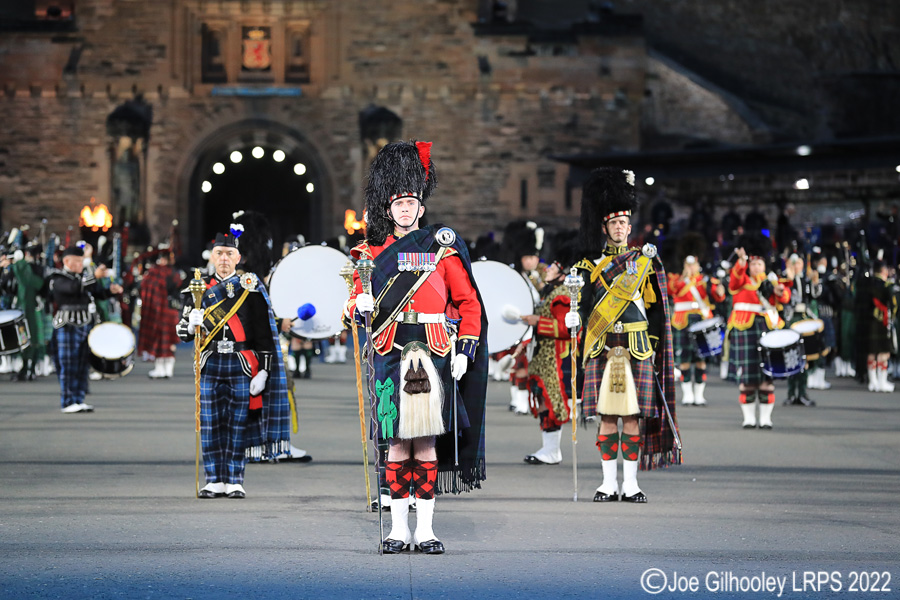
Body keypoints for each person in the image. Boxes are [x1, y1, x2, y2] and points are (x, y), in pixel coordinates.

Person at [344, 140, 488, 554]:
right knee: (394, 441)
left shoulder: (441, 249)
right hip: (389, 352)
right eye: (399, 203)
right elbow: (352, 313)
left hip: (434, 351)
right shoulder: (369, 254)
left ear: (421, 208)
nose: (406, 209)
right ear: (388, 210)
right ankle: (397, 530)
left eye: (412, 202)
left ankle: (424, 529)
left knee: (424, 442)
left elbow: (468, 303)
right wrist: (360, 303)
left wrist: (465, 349)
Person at [570, 167, 681, 504]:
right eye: (613, 223)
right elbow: (585, 307)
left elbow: (659, 311)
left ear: (630, 228)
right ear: (604, 227)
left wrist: (656, 349)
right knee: (606, 416)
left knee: (632, 417)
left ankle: (630, 485)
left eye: (624, 224)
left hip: (636, 346)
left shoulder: (644, 262)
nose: (619, 228)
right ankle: (607, 484)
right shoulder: (589, 265)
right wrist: (573, 315)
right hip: (602, 345)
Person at [176, 230, 291, 499]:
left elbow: (263, 334)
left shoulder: (249, 287)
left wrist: (263, 370)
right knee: (211, 422)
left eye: (229, 254)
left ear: (238, 257)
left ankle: (235, 478)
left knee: (238, 423)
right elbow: (182, 334)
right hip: (210, 361)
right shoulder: (197, 288)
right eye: (219, 253)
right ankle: (214, 478)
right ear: (212, 257)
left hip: (241, 363)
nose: (224, 258)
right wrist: (192, 324)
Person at [521, 233, 578, 465]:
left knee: (551, 403)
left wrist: (537, 321)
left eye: (554, 267)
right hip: (543, 356)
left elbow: (566, 329)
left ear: (562, 274)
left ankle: (552, 450)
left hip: (555, 357)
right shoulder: (551, 293)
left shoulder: (562, 296)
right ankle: (549, 449)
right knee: (544, 401)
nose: (549, 269)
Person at [46, 245, 123, 413]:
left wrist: (111, 291)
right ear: (67, 261)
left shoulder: (82, 278)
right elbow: (73, 288)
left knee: (82, 364)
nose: (81, 264)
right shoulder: (57, 277)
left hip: (86, 324)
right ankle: (67, 401)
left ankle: (78, 399)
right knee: (68, 364)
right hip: (67, 325)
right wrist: (93, 276)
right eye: (78, 261)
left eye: (82, 261)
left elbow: (96, 293)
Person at [725, 235, 790, 429]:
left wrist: (780, 291)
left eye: (759, 264)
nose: (756, 267)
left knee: (766, 379)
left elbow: (785, 297)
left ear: (765, 265)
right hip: (745, 328)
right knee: (748, 378)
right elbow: (734, 281)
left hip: (767, 328)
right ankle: (749, 418)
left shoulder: (771, 281)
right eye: (753, 264)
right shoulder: (741, 279)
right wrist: (742, 261)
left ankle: (765, 418)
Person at [667, 233, 726, 406]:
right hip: (682, 321)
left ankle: (699, 394)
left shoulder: (706, 280)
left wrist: (720, 291)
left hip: (701, 320)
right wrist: (685, 276)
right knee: (684, 359)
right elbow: (672, 291)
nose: (692, 267)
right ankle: (687, 394)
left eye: (694, 264)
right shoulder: (676, 279)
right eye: (688, 264)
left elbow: (717, 296)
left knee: (701, 359)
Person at [500, 220, 543, 415]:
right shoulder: (516, 277)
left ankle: (523, 400)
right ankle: (519, 400)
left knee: (529, 366)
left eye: (533, 257)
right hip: (519, 325)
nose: (531, 261)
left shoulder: (539, 276)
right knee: (518, 366)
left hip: (535, 326)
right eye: (527, 257)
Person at [139, 248, 183, 379]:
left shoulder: (154, 273)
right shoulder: (175, 273)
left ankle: (164, 369)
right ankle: (164, 369)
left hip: (160, 311)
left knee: (162, 340)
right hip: (170, 310)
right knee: (165, 341)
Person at [864, 259, 896, 392]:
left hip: (868, 321)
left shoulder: (867, 285)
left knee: (871, 351)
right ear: (883, 271)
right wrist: (891, 317)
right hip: (883, 321)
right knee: (884, 352)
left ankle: (873, 382)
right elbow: (893, 305)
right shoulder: (887, 286)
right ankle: (882, 382)